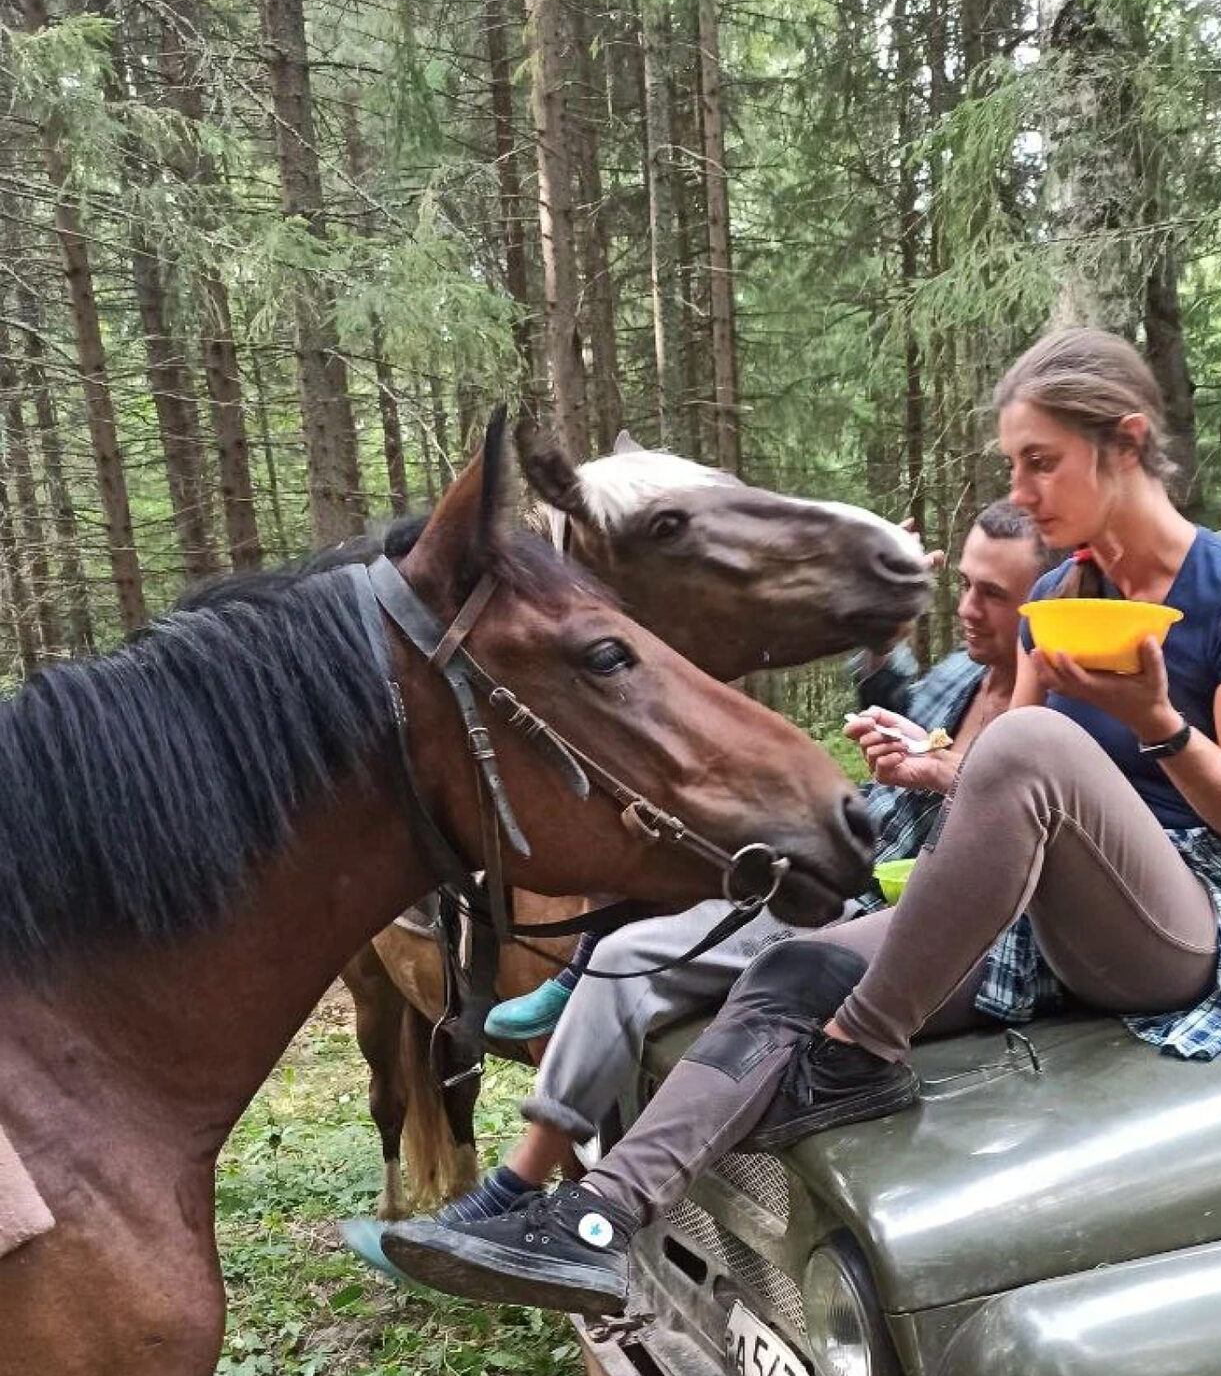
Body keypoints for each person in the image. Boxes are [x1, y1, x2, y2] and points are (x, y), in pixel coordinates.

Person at [381, 326, 1221, 1312]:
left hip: (1178, 929)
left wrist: (1161, 725)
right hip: (1045, 918)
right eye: (1014, 463)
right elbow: (1000, 779)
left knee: (1025, 753)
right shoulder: (1056, 595)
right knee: (792, 964)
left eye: (1040, 462)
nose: (1026, 488)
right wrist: (936, 766)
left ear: (1124, 443)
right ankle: (593, 1217)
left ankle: (858, 1053)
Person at [369, 501, 1056, 1255]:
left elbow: (1033, 834)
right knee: (630, 957)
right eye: (964, 584)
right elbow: (900, 707)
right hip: (847, 891)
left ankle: (611, 1202)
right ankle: (519, 1183)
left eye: (995, 594)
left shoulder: (1059, 713)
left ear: (1044, 605)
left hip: (927, 923)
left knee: (778, 974)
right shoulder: (962, 677)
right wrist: (882, 657)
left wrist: (948, 775)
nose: (967, 608)